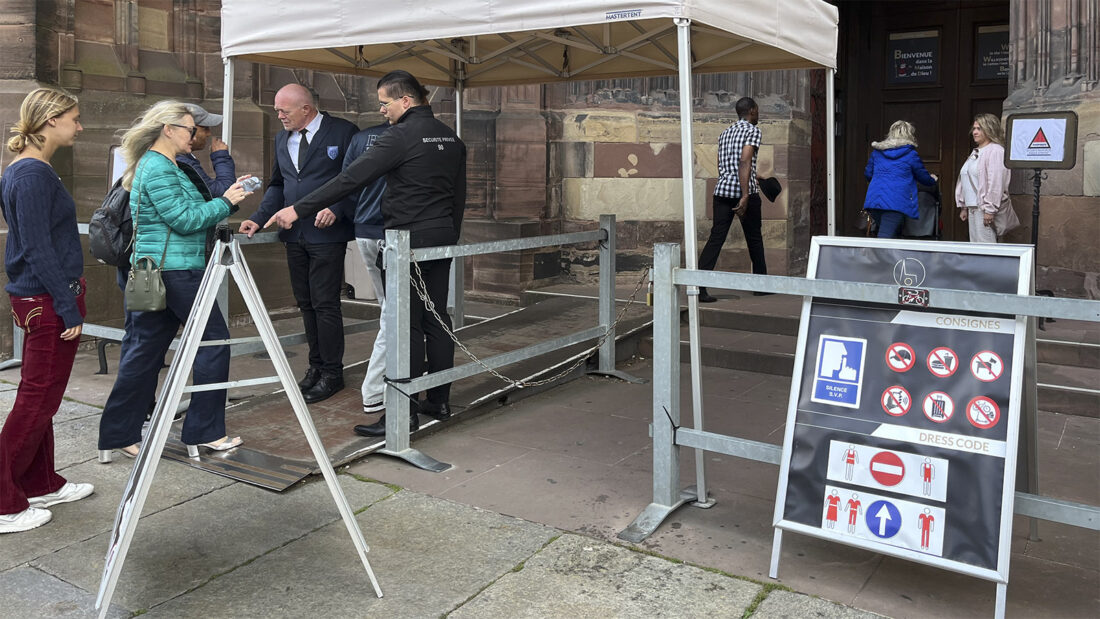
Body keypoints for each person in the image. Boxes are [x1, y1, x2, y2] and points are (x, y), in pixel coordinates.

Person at [266, 70, 466, 436]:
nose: (382, 110)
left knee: (406, 325)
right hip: (441, 235)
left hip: (405, 239)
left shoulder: (400, 136)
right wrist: (449, 235)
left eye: (385, 103)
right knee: (436, 318)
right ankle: (438, 399)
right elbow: (458, 196)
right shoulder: (450, 136)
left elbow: (348, 179)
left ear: (406, 100)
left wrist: (298, 209)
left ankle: (400, 416)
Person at [97, 101, 252, 460]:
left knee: (143, 350)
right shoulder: (161, 167)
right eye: (188, 129)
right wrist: (227, 203)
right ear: (168, 129)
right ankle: (204, 432)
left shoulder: (154, 165)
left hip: (152, 271)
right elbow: (184, 219)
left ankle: (119, 433)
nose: (193, 135)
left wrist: (224, 196)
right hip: (176, 272)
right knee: (213, 341)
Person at [0, 87, 95, 534]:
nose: (79, 126)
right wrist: (67, 307)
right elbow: (36, 248)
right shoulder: (32, 175)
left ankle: (39, 481)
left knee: (44, 398)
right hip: (46, 299)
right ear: (51, 120)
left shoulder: (30, 170)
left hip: (40, 297)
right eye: (74, 118)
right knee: (36, 399)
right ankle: (3, 501)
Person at [239, 84, 358, 404]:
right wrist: (259, 217)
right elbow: (278, 184)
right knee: (305, 303)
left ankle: (332, 373)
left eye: (284, 111)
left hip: (326, 234)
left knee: (325, 303)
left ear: (306, 109)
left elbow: (358, 179)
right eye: (277, 110)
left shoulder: (344, 132)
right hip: (293, 234)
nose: (278, 116)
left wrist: (338, 209)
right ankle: (316, 367)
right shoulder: (282, 138)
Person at [698, 97, 767, 303]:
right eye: (757, 111)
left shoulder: (725, 133)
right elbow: (744, 160)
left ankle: (699, 287)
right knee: (754, 238)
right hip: (744, 193)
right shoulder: (752, 131)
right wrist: (745, 194)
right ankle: (761, 286)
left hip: (722, 191)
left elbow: (725, 165)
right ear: (752, 110)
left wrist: (755, 176)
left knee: (715, 238)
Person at [344, 121, 392, 416]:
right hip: (391, 230)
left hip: (365, 228)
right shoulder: (408, 136)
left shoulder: (361, 138)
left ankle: (384, 385)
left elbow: (348, 184)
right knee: (393, 311)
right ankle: (374, 390)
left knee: (391, 307)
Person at [862, 120, 936, 239]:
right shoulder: (911, 154)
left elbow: (868, 174)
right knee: (885, 238)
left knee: (891, 235)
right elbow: (923, 178)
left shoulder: (877, 153)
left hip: (875, 201)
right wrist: (933, 179)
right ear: (909, 135)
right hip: (895, 203)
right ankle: (879, 258)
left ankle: (890, 258)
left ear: (891, 133)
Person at [955, 113, 1015, 243]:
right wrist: (964, 206)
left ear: (990, 129)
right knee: (976, 248)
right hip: (973, 208)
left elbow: (996, 182)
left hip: (984, 209)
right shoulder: (976, 152)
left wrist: (990, 210)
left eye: (979, 129)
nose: (975, 132)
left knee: (986, 248)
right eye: (974, 129)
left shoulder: (995, 151)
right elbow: (965, 178)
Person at [177, 103, 236, 196]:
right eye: (205, 128)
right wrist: (221, 157)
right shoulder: (182, 162)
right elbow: (219, 192)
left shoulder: (182, 158)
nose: (208, 134)